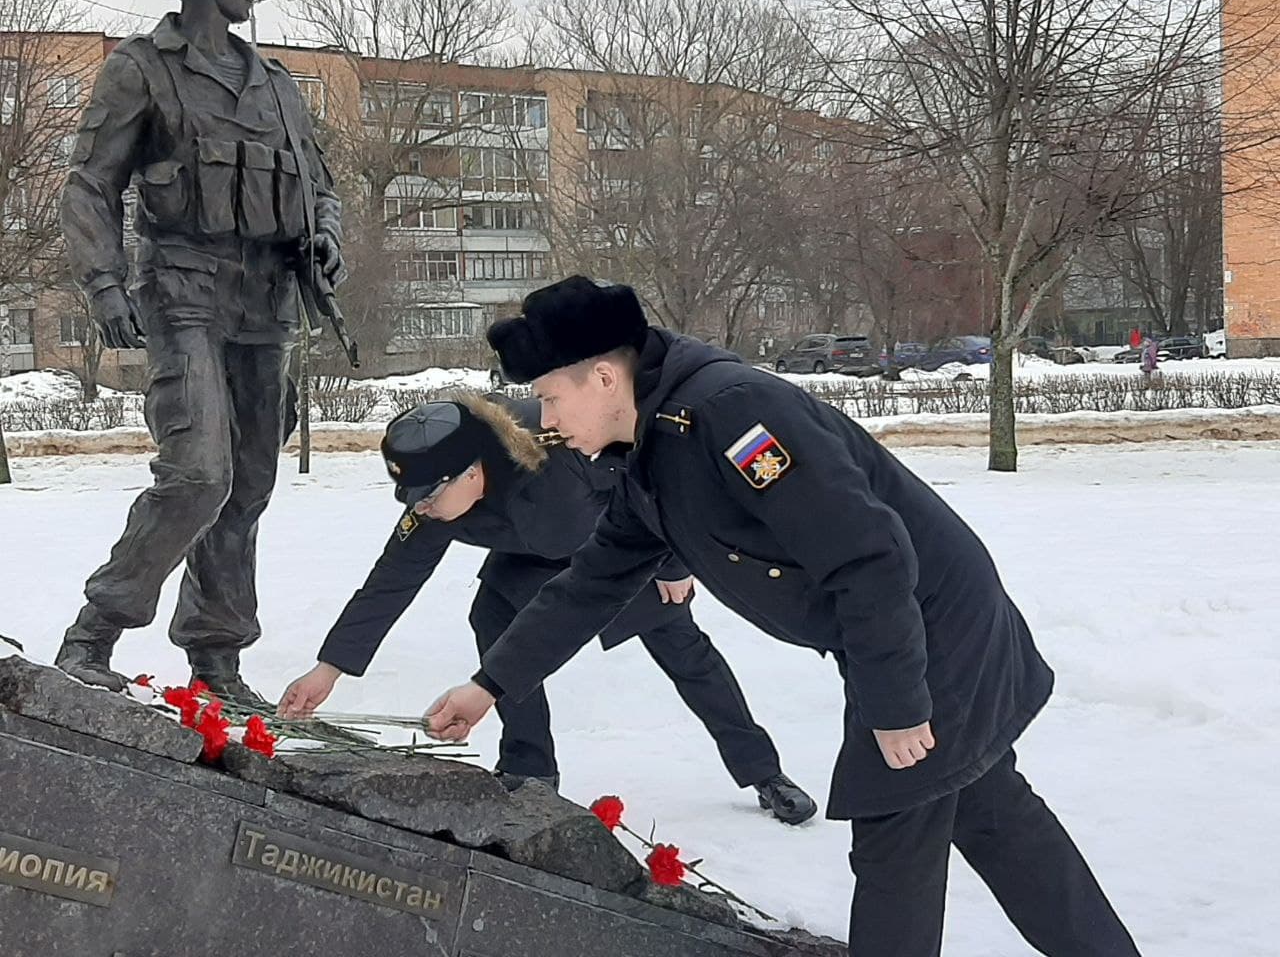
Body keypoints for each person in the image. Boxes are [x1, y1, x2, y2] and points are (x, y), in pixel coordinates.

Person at [425, 276, 1140, 956]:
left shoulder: (732, 414)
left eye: (550, 399)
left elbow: (870, 557)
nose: (546, 423)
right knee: (990, 813)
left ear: (605, 378)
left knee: (896, 836)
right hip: (897, 629)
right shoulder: (650, 447)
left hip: (925, 628)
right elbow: (590, 582)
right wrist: (489, 685)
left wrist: (895, 703)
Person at [53, 0, 345, 703]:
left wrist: (325, 237)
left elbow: (320, 189)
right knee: (196, 475)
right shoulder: (142, 67)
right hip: (183, 293)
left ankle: (216, 659)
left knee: (248, 485)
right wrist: (107, 284)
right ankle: (94, 633)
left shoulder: (278, 85)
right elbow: (89, 184)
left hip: (267, 300)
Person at [279, 393, 816, 822]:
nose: (420, 509)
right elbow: (391, 580)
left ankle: (764, 772)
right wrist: (329, 669)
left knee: (684, 651)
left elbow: (663, 477)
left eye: (427, 497)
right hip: (528, 555)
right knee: (492, 620)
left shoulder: (560, 446)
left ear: (470, 472)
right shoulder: (437, 497)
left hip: (618, 552)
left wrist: (674, 563)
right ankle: (528, 770)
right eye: (412, 499)